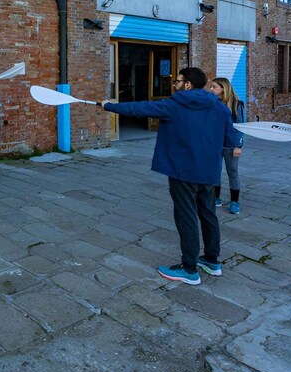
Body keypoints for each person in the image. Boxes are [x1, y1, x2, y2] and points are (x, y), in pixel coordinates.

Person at [100, 67, 237, 286]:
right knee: (208, 214)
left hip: (183, 172)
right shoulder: (220, 108)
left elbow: (139, 108)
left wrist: (109, 106)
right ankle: (212, 260)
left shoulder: (174, 105)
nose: (175, 85)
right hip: (209, 172)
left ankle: (189, 269)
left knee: (187, 217)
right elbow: (231, 140)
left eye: (177, 81)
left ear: (188, 85)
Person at [209, 77, 245, 214]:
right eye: (211, 87)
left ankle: (235, 202)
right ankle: (216, 198)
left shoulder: (237, 104)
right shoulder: (212, 103)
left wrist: (238, 146)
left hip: (231, 145)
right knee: (215, 172)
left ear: (223, 89)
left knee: (232, 173)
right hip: (215, 145)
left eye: (214, 87)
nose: (211, 89)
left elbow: (240, 127)